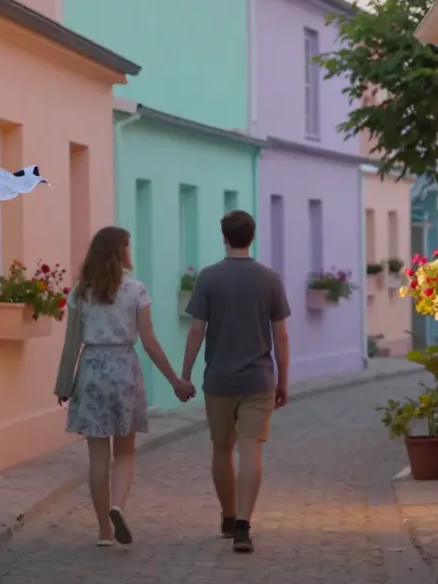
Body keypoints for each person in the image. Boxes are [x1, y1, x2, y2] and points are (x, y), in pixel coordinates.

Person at [54, 226, 196, 547]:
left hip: (91, 368)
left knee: (98, 457)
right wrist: (175, 381)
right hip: (124, 371)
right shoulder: (136, 291)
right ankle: (118, 504)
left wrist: (64, 384)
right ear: (122, 252)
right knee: (126, 452)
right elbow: (150, 343)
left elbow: (71, 342)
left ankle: (104, 530)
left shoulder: (80, 292)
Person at [182, 209, 291, 554]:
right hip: (259, 378)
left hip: (219, 378)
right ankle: (244, 522)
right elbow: (281, 336)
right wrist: (283, 380)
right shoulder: (269, 279)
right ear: (252, 237)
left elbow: (197, 330)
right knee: (250, 449)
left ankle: (228, 516)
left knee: (221, 448)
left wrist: (185, 373)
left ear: (224, 237)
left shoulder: (208, 278)